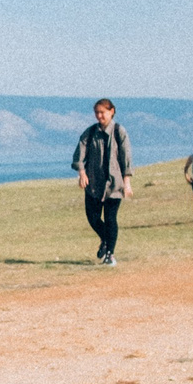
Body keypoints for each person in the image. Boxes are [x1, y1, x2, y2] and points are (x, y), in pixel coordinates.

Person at [71, 100, 133, 263]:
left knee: (111, 218)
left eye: (102, 112)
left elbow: (126, 158)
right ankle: (105, 240)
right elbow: (79, 155)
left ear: (111, 111)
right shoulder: (90, 133)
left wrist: (126, 183)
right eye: (96, 112)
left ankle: (110, 254)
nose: (99, 116)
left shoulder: (119, 131)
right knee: (92, 217)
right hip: (94, 185)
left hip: (114, 184)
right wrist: (82, 173)